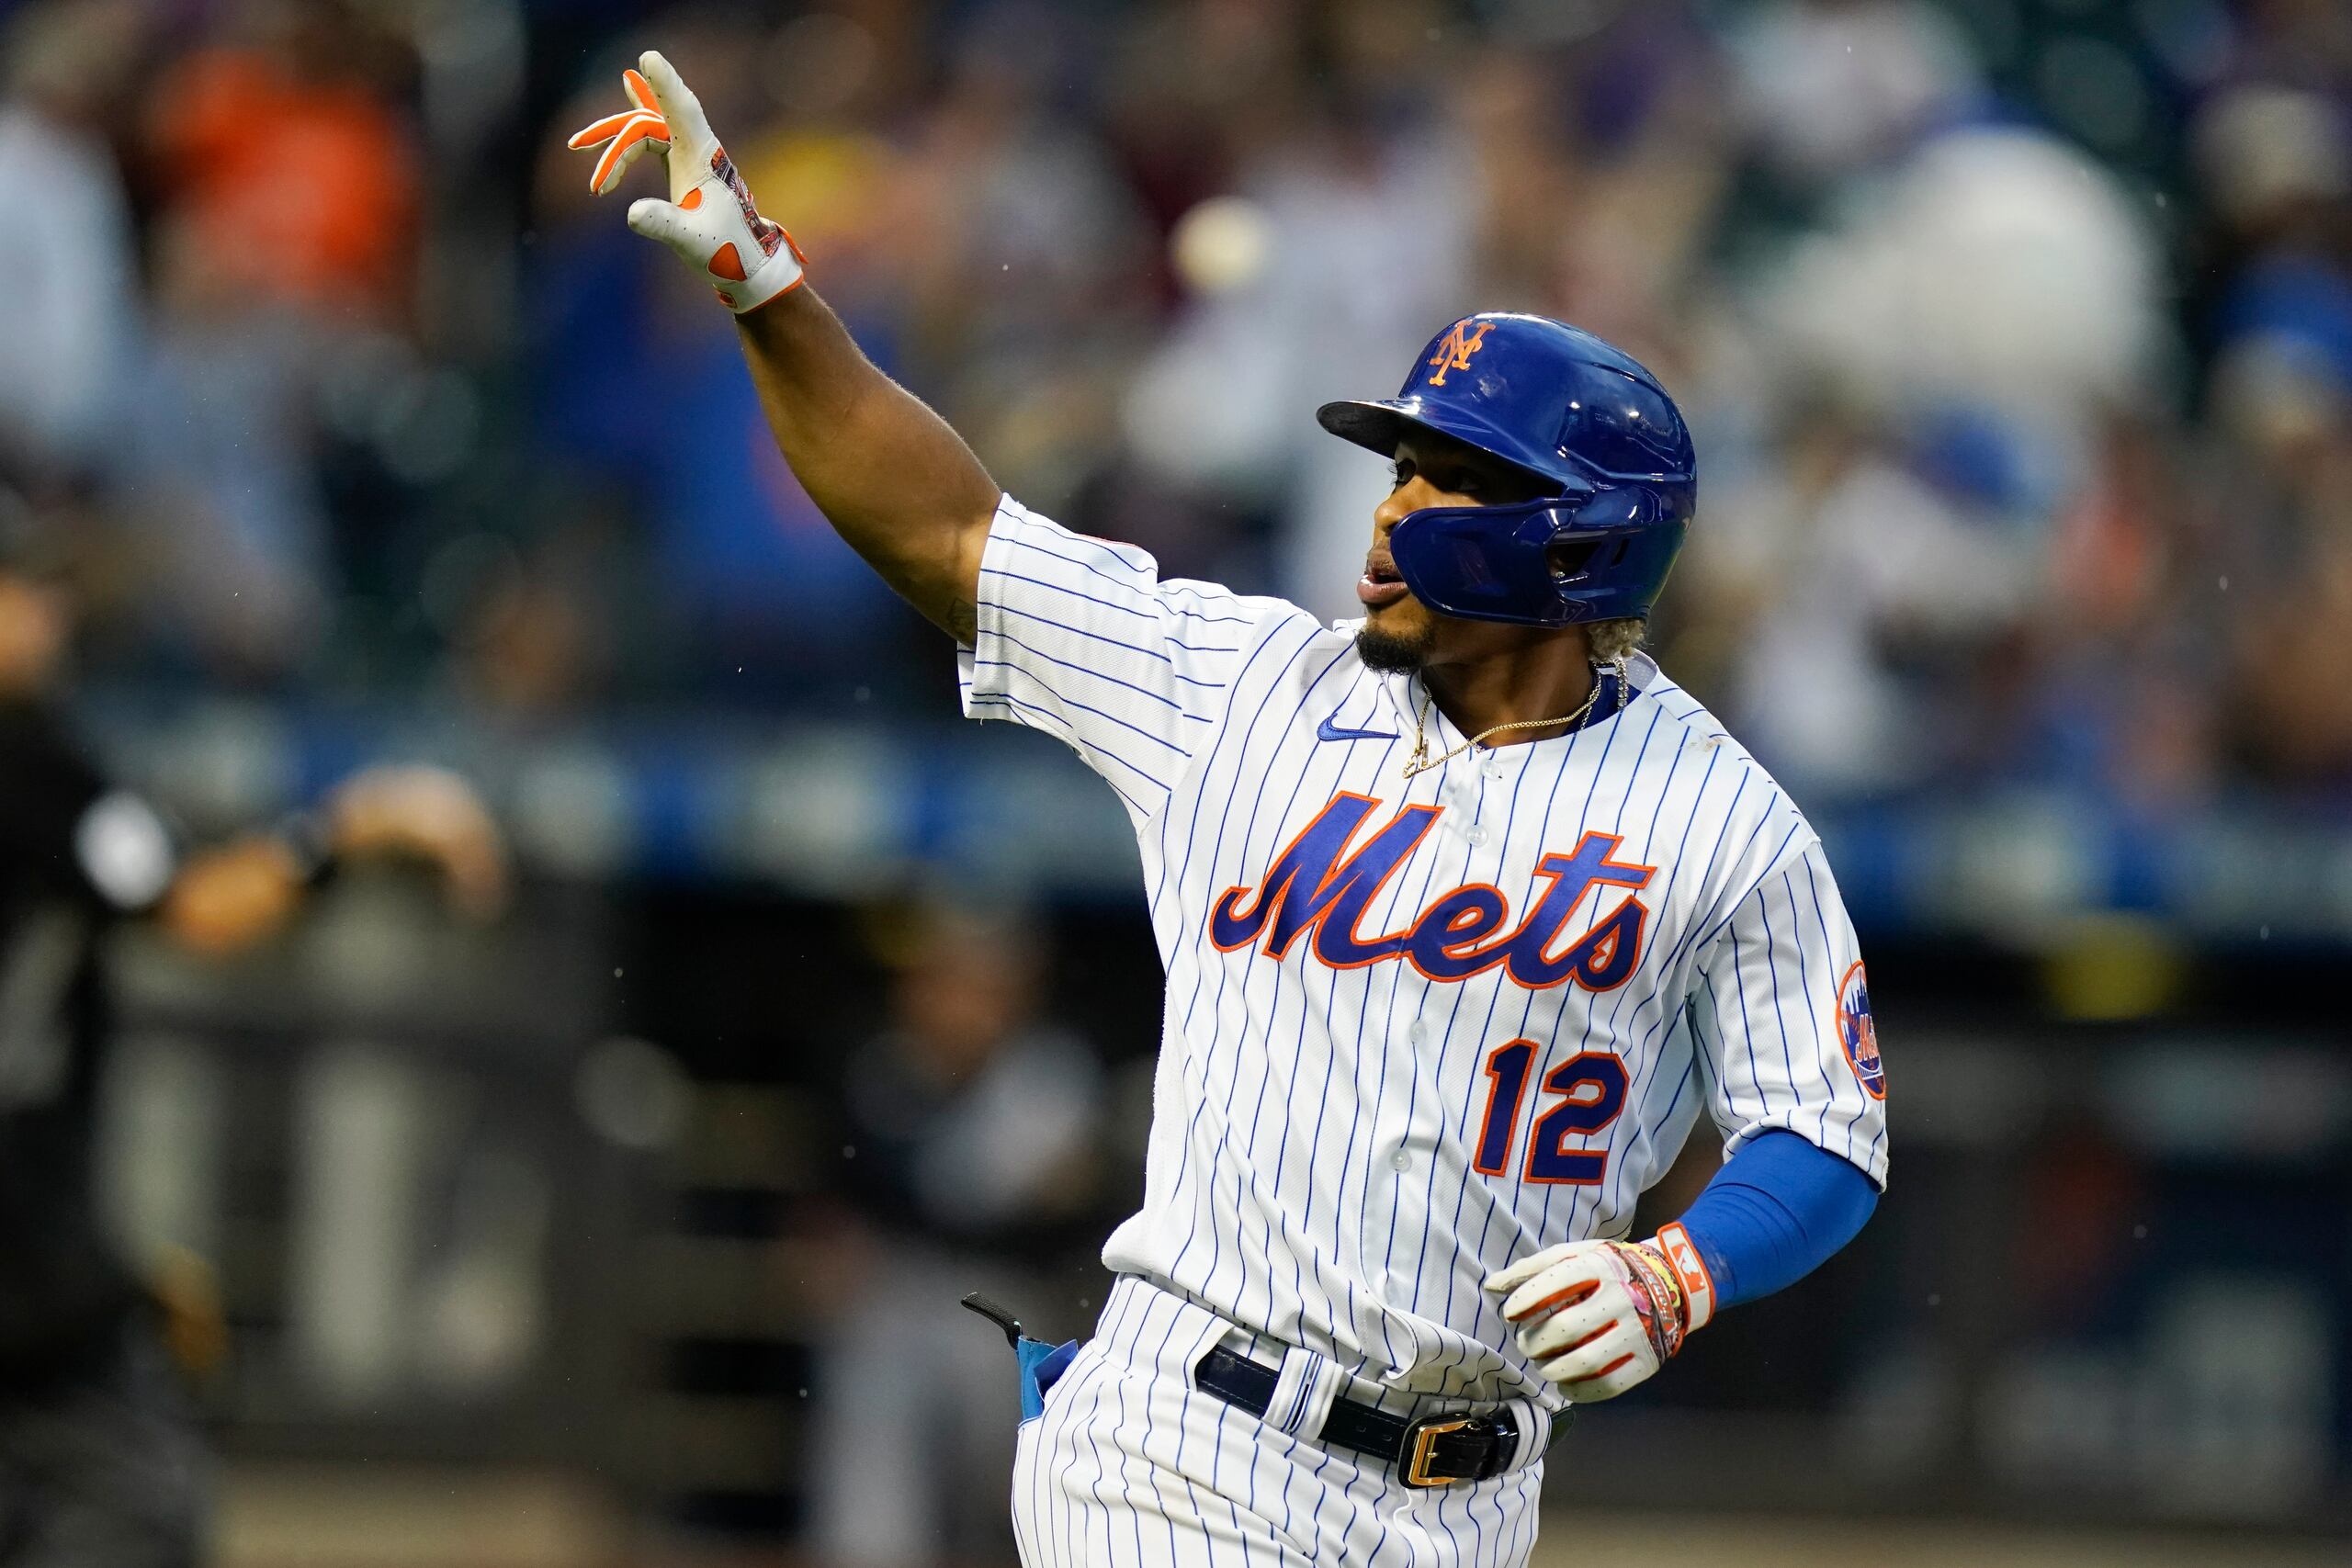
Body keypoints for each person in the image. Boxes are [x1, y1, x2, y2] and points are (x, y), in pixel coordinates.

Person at [571, 55, 1886, 1567]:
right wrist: (769, 291)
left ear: (1576, 547)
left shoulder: (1725, 819)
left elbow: (1825, 1128)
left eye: (1449, 479)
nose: (1390, 509)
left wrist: (1682, 1271)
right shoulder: (1240, 684)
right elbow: (945, 526)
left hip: (1470, 1501)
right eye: (1398, 468)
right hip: (1179, 1445)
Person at [0, 542, 504, 1567]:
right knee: (134, 1517)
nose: (49, 618)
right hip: (37, 1319)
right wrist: (349, 832)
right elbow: (192, 906)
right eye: (23, 592)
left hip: (42, 1282)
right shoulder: (27, 758)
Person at [806, 902, 1107, 1568]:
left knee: (1011, 1464)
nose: (955, 999)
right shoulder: (880, 1065)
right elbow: (844, 1191)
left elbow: (1061, 1215)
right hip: (898, 1292)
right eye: (940, 978)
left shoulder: (1051, 1079)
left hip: (1014, 1304)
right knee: (875, 1392)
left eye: (976, 981)